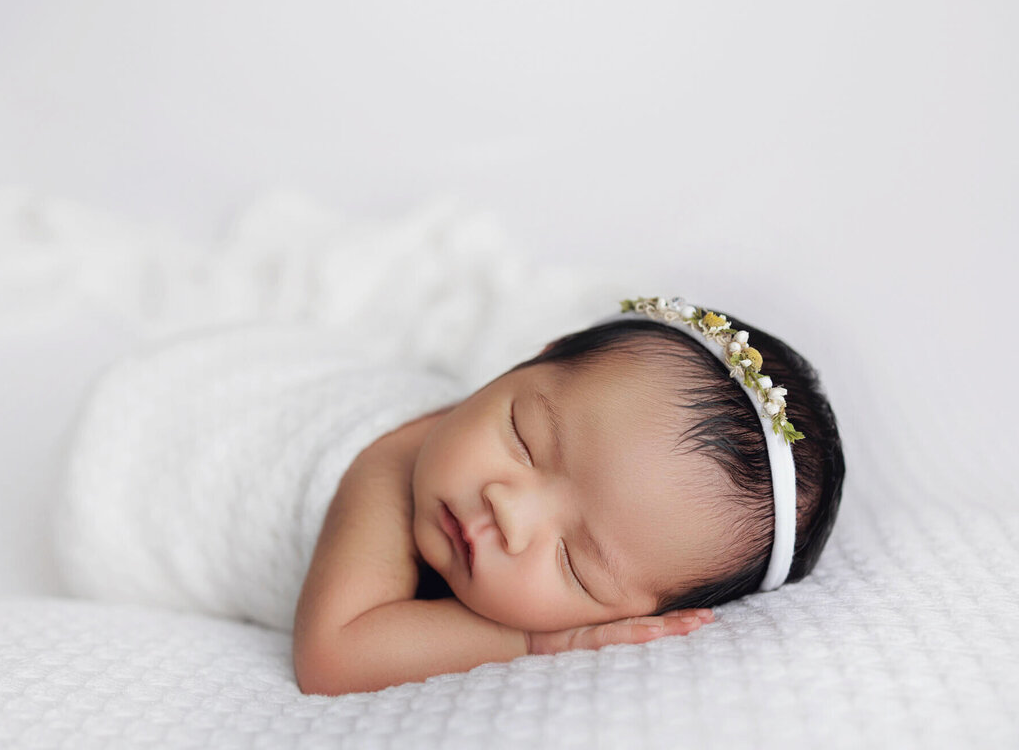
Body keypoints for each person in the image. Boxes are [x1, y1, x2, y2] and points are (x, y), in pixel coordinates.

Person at [293, 297, 845, 695]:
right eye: (524, 438)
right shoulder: (388, 463)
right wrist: (536, 642)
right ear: (536, 357)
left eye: (574, 564)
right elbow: (333, 656)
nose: (508, 512)